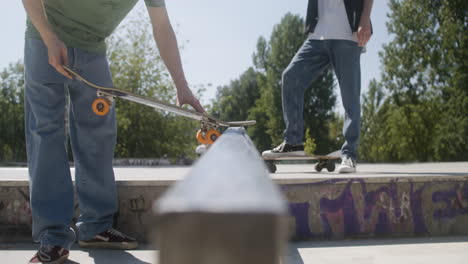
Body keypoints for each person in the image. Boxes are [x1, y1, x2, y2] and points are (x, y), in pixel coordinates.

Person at [22, 0, 205, 263]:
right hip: (44, 37)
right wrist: (49, 37)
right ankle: (53, 237)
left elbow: (161, 26)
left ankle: (96, 226)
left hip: (93, 49)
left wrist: (181, 85)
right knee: (45, 134)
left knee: (98, 135)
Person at [262, 0, 373, 173]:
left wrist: (365, 18)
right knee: (291, 77)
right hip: (318, 35)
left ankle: (349, 154)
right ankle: (293, 142)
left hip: (347, 34)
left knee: (350, 96)